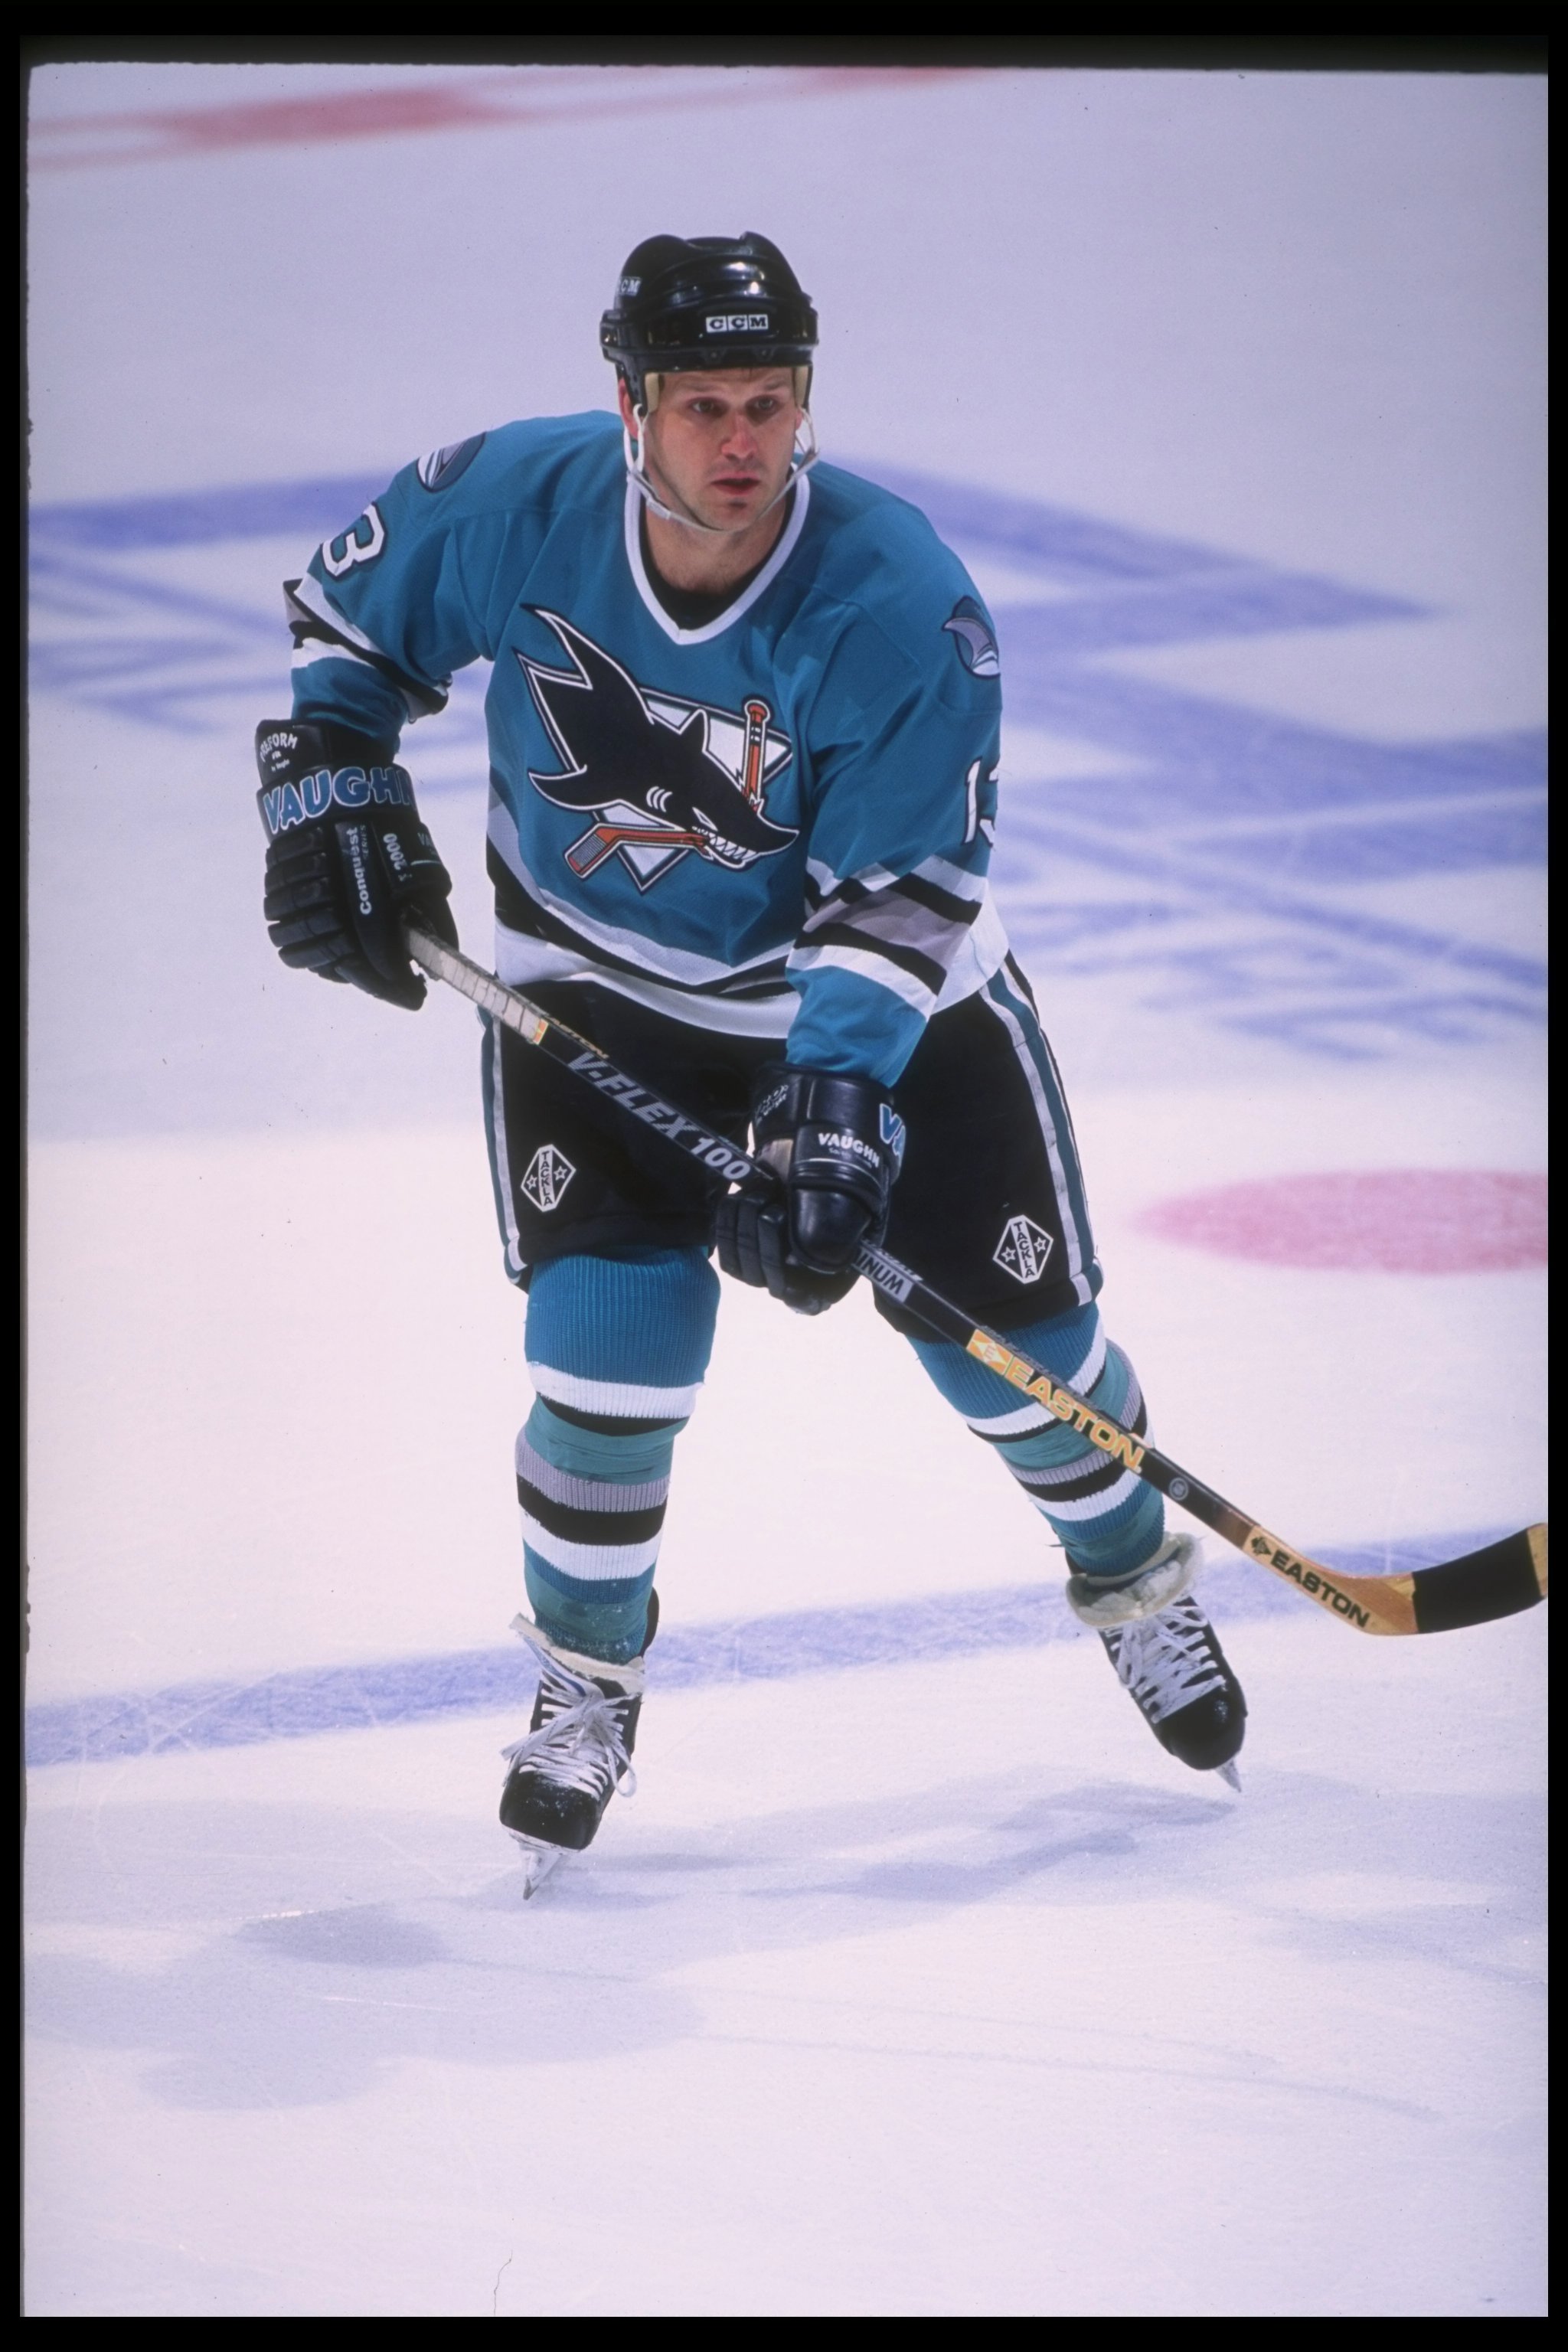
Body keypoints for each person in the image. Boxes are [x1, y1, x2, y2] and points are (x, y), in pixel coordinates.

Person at [254, 231, 1246, 1880]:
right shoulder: (515, 501)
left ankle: (1137, 1583)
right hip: (595, 994)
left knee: (1027, 1365)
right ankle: (584, 1683)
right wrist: (331, 776)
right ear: (627, 403)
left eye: (771, 403)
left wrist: (836, 1098)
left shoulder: (896, 600)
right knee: (601, 1362)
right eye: (704, 403)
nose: (742, 443)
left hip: (883, 1024)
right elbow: (347, 625)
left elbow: (904, 893)